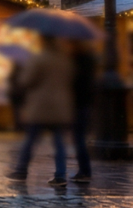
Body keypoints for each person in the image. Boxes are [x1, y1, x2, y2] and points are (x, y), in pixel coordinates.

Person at [8, 34, 74, 185]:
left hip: (41, 106)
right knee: (59, 143)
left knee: (30, 140)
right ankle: (60, 175)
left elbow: (26, 80)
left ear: (43, 40)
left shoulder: (39, 59)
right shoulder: (64, 60)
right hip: (60, 107)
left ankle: (21, 170)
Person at [69, 40, 96, 184]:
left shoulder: (80, 61)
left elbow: (77, 83)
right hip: (84, 103)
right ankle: (84, 170)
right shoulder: (88, 60)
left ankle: (85, 171)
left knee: (79, 138)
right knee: (79, 138)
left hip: (79, 104)